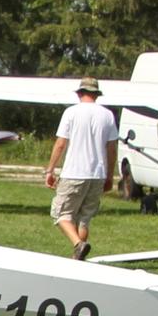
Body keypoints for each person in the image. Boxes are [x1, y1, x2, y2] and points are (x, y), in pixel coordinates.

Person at [45, 77, 118, 261]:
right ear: (96, 95)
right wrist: (109, 175)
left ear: (79, 93)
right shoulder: (107, 115)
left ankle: (78, 245)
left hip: (74, 172)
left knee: (61, 214)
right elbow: (111, 149)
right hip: (97, 174)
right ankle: (78, 258)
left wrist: (50, 170)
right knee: (84, 217)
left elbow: (61, 143)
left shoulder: (71, 112)